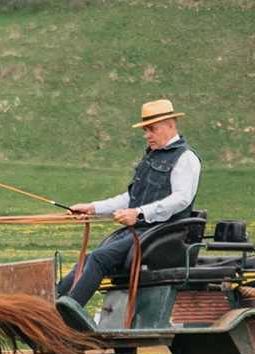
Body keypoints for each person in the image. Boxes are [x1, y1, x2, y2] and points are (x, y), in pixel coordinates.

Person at [56, 99, 202, 306]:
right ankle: (51, 302)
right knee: (89, 259)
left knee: (100, 258)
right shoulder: (152, 157)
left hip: (162, 233)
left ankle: (68, 311)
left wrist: (139, 213)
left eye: (151, 129)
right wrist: (92, 208)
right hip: (142, 232)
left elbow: (181, 199)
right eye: (145, 130)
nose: (147, 135)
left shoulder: (185, 158)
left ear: (170, 125)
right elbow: (130, 199)